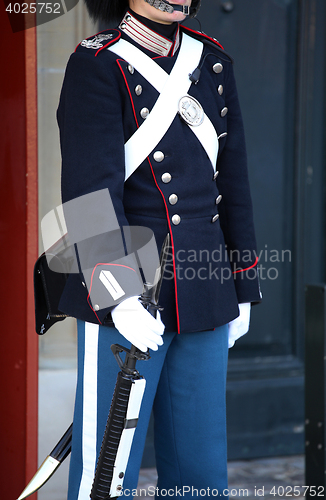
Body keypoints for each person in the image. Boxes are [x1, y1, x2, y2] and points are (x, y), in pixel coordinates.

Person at [56, 0, 262, 497]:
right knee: (107, 477)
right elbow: (89, 192)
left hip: (206, 286)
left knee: (201, 473)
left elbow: (232, 180)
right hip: (129, 293)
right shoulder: (97, 62)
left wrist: (242, 282)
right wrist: (119, 292)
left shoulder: (211, 59)